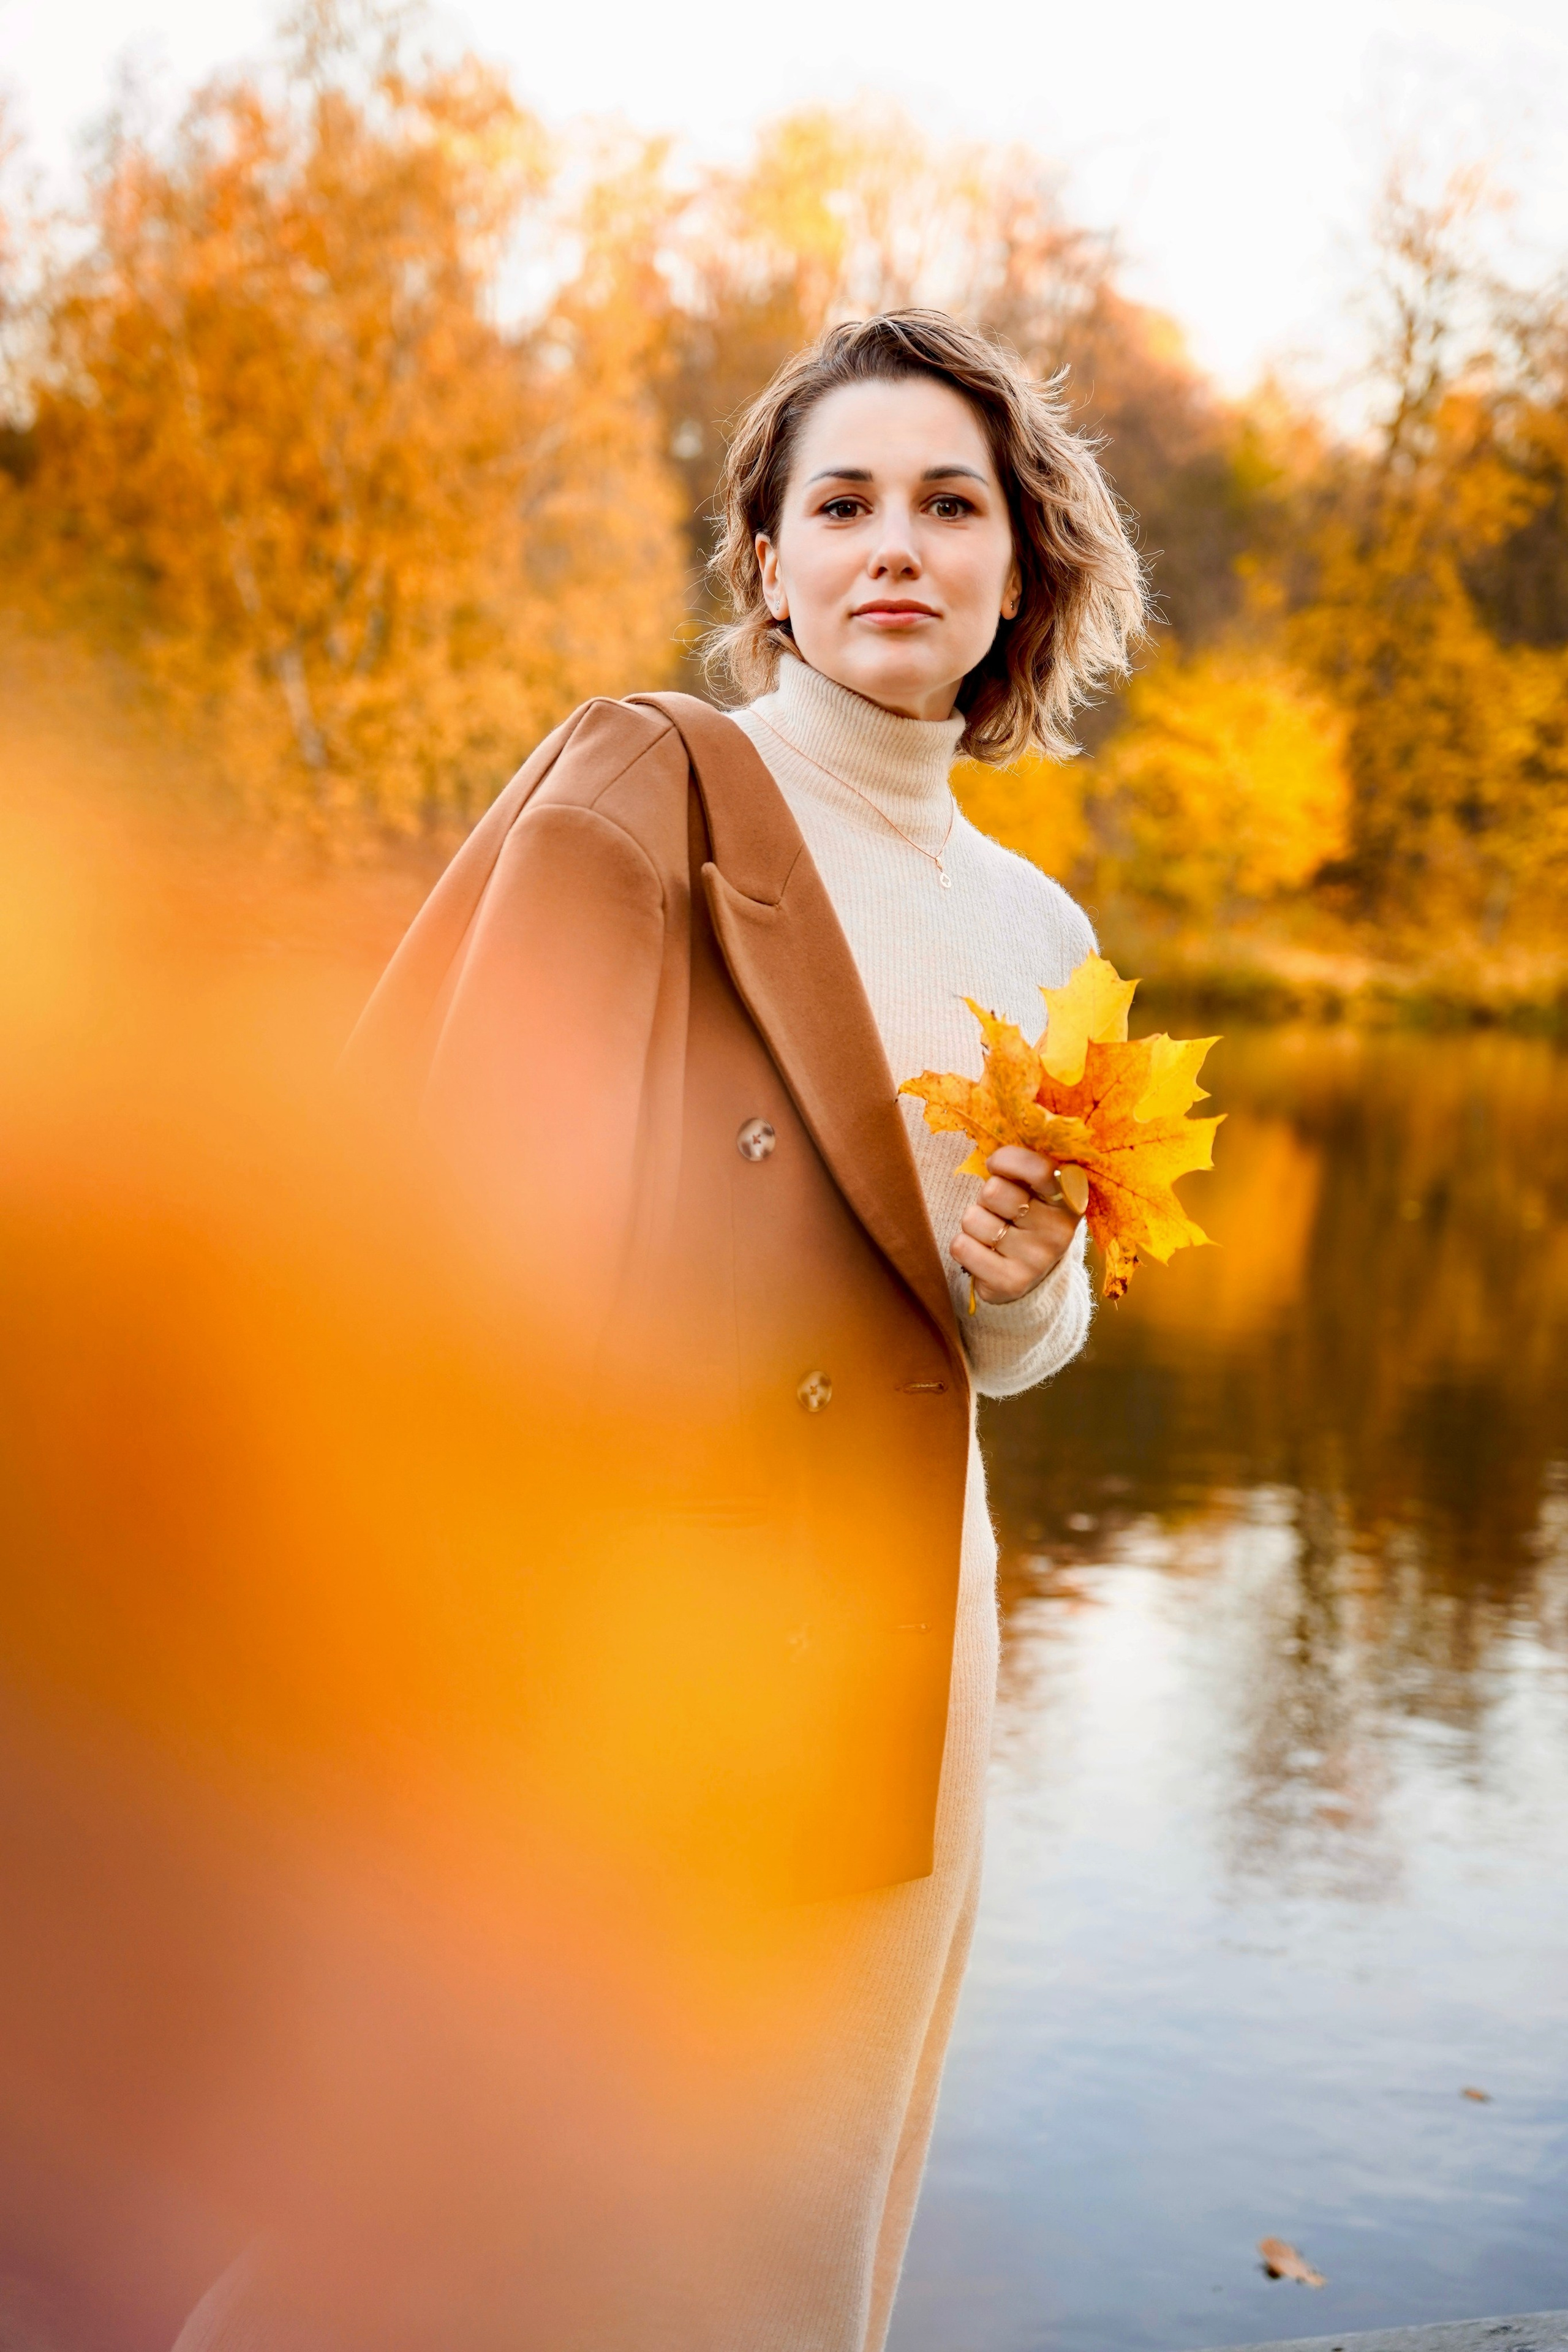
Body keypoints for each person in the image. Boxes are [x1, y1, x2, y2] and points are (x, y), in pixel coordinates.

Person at [173, 309, 1145, 2352]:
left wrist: (1022, 1269)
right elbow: (448, 1210)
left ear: (1017, 568)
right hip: (629, 1631)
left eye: (950, 503)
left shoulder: (1047, 937)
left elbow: (1009, 1361)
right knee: (474, 2198)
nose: (898, 542)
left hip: (903, 1629)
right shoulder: (652, 785)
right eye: (844, 502)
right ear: (768, 566)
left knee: (784, 2219)